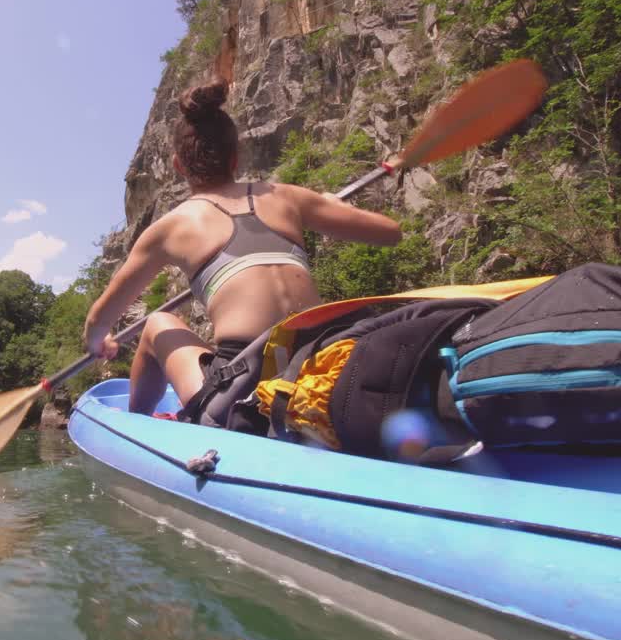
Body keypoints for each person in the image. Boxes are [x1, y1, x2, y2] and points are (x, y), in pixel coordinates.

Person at [82, 80, 402, 416]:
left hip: (242, 393)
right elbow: (390, 233)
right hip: (324, 371)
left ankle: (141, 425)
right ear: (235, 158)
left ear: (178, 166)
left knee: (156, 323)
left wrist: (98, 342)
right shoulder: (287, 197)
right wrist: (337, 208)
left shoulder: (170, 228)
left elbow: (99, 318)